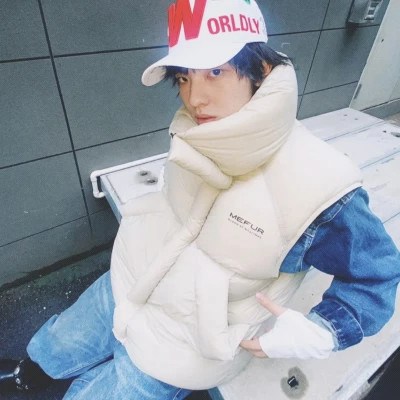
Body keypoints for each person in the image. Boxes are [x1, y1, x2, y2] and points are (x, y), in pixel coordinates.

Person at [1, 0, 400, 398]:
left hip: (183, 347)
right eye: (184, 77)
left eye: (215, 72)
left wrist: (323, 330)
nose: (195, 98)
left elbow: (376, 274)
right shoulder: (197, 130)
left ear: (261, 70)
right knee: (60, 342)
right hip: (128, 282)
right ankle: (28, 374)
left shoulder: (320, 185)